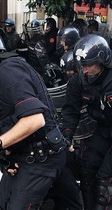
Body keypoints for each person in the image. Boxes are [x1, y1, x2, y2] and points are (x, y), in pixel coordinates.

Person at [0, 29, 67, 209]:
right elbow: (11, 121)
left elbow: (35, 120)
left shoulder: (7, 70)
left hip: (42, 158)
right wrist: (7, 155)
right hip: (25, 155)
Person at [62, 34, 112, 210]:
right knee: (87, 169)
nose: (86, 70)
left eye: (89, 64)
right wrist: (67, 136)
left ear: (103, 62)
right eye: (82, 65)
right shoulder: (79, 81)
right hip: (105, 129)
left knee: (106, 179)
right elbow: (71, 109)